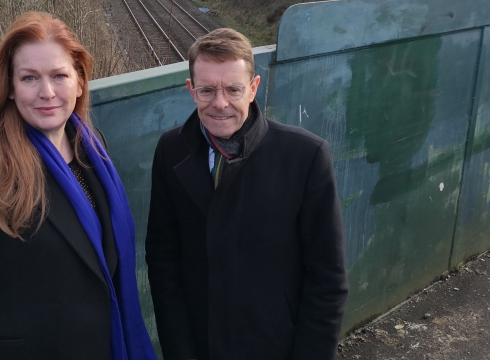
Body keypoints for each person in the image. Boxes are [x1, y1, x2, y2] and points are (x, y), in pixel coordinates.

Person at [0, 11, 156, 360]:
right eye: (30, 78)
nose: (46, 92)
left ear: (79, 82)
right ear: (10, 87)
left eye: (59, 76)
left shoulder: (92, 148)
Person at [145, 28, 349, 360]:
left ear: (253, 89)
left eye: (233, 89)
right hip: (199, 345)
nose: (220, 103)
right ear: (191, 91)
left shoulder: (305, 156)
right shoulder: (171, 150)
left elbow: (328, 278)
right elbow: (163, 261)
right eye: (207, 90)